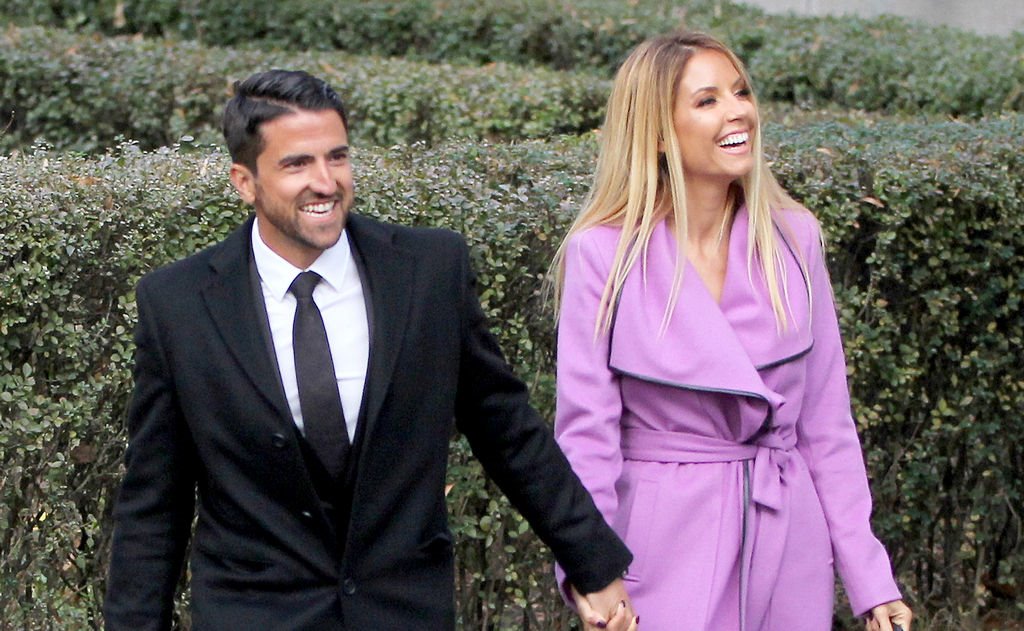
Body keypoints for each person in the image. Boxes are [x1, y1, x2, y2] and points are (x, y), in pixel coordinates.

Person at [103, 69, 638, 631]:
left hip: (403, 612)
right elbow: (154, 504)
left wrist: (593, 565)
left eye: (337, 157)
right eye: (297, 164)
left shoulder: (428, 273)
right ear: (245, 181)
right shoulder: (180, 304)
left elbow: (508, 432)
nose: (325, 182)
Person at [550, 32, 913, 631]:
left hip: (787, 542)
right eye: (707, 100)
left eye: (741, 92)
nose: (738, 110)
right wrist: (591, 571)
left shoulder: (795, 239)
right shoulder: (603, 255)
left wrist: (871, 580)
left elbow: (826, 426)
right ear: (658, 132)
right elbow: (588, 436)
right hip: (661, 551)